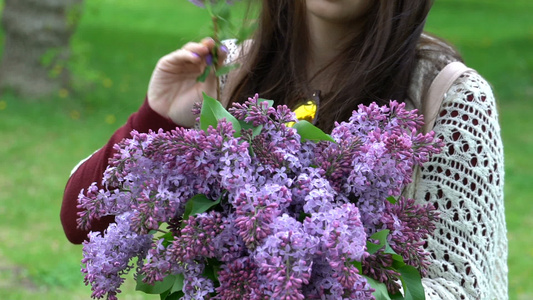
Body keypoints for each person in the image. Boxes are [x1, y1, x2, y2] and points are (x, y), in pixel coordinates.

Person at [60, 0, 508, 299]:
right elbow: (83, 221)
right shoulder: (231, 70)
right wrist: (158, 117)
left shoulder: (448, 97)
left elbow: (464, 287)